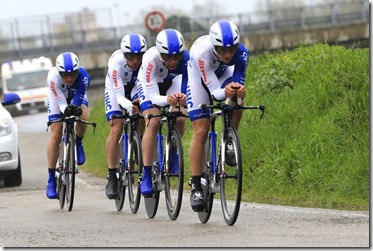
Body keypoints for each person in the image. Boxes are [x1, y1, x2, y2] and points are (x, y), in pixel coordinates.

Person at [186, 20, 249, 211]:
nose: (228, 54)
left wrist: (236, 89)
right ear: (214, 46)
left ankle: (229, 139)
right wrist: (225, 92)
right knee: (201, 130)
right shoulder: (202, 53)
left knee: (238, 98)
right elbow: (214, 92)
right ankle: (196, 185)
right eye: (221, 50)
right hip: (200, 80)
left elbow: (237, 77)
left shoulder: (242, 53)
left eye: (232, 49)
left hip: (223, 74)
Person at [137, 28, 189, 196]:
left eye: (176, 56)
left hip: (171, 83)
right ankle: (145, 174)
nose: (173, 61)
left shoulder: (187, 59)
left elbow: (187, 84)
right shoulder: (150, 59)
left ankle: (173, 150)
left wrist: (181, 98)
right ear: (160, 53)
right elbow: (152, 96)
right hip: (150, 87)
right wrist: (168, 100)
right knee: (153, 121)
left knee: (180, 118)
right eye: (167, 57)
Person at [104, 33, 147, 199]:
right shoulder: (116, 64)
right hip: (116, 90)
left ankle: (139, 142)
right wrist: (129, 106)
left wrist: (138, 104)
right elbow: (120, 97)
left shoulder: (146, 63)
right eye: (130, 56)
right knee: (117, 127)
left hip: (135, 87)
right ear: (124, 55)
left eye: (139, 56)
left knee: (143, 112)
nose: (135, 60)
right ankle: (112, 175)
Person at [46, 52, 91, 199]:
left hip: (75, 95)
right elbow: (61, 104)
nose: (70, 78)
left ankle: (78, 141)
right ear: (59, 72)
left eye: (73, 74)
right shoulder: (52, 78)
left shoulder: (84, 77)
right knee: (56, 133)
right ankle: (51, 178)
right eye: (65, 75)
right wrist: (66, 109)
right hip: (57, 98)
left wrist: (75, 108)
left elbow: (78, 101)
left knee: (82, 115)